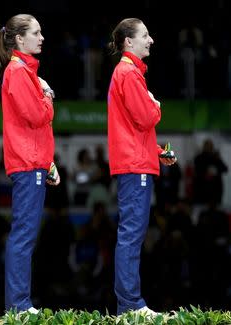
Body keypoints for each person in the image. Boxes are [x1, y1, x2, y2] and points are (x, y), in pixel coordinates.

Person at [106, 18, 177, 316]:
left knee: (132, 234)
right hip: (134, 166)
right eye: (145, 35)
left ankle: (129, 303)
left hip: (136, 160)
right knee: (132, 235)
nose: (151, 40)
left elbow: (133, 126)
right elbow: (147, 118)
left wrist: (156, 151)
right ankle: (130, 305)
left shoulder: (129, 73)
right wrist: (156, 105)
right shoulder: (129, 73)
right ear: (128, 42)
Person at [0, 14, 60, 314]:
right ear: (19, 39)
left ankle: (20, 304)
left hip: (34, 161)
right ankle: (18, 305)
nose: (42, 37)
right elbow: (38, 116)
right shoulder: (18, 72)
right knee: (23, 235)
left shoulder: (24, 71)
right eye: (36, 32)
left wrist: (49, 162)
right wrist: (48, 95)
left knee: (26, 235)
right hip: (26, 163)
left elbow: (36, 127)